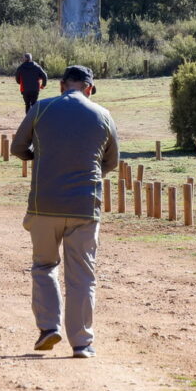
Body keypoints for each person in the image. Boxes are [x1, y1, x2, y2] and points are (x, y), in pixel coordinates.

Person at [10, 65, 118, 359]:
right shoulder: (103, 114)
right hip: (85, 206)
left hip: (44, 203)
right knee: (82, 276)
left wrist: (40, 158)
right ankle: (82, 343)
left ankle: (48, 327)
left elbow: (18, 147)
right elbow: (111, 161)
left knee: (44, 266)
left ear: (61, 86)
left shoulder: (41, 108)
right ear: (89, 88)